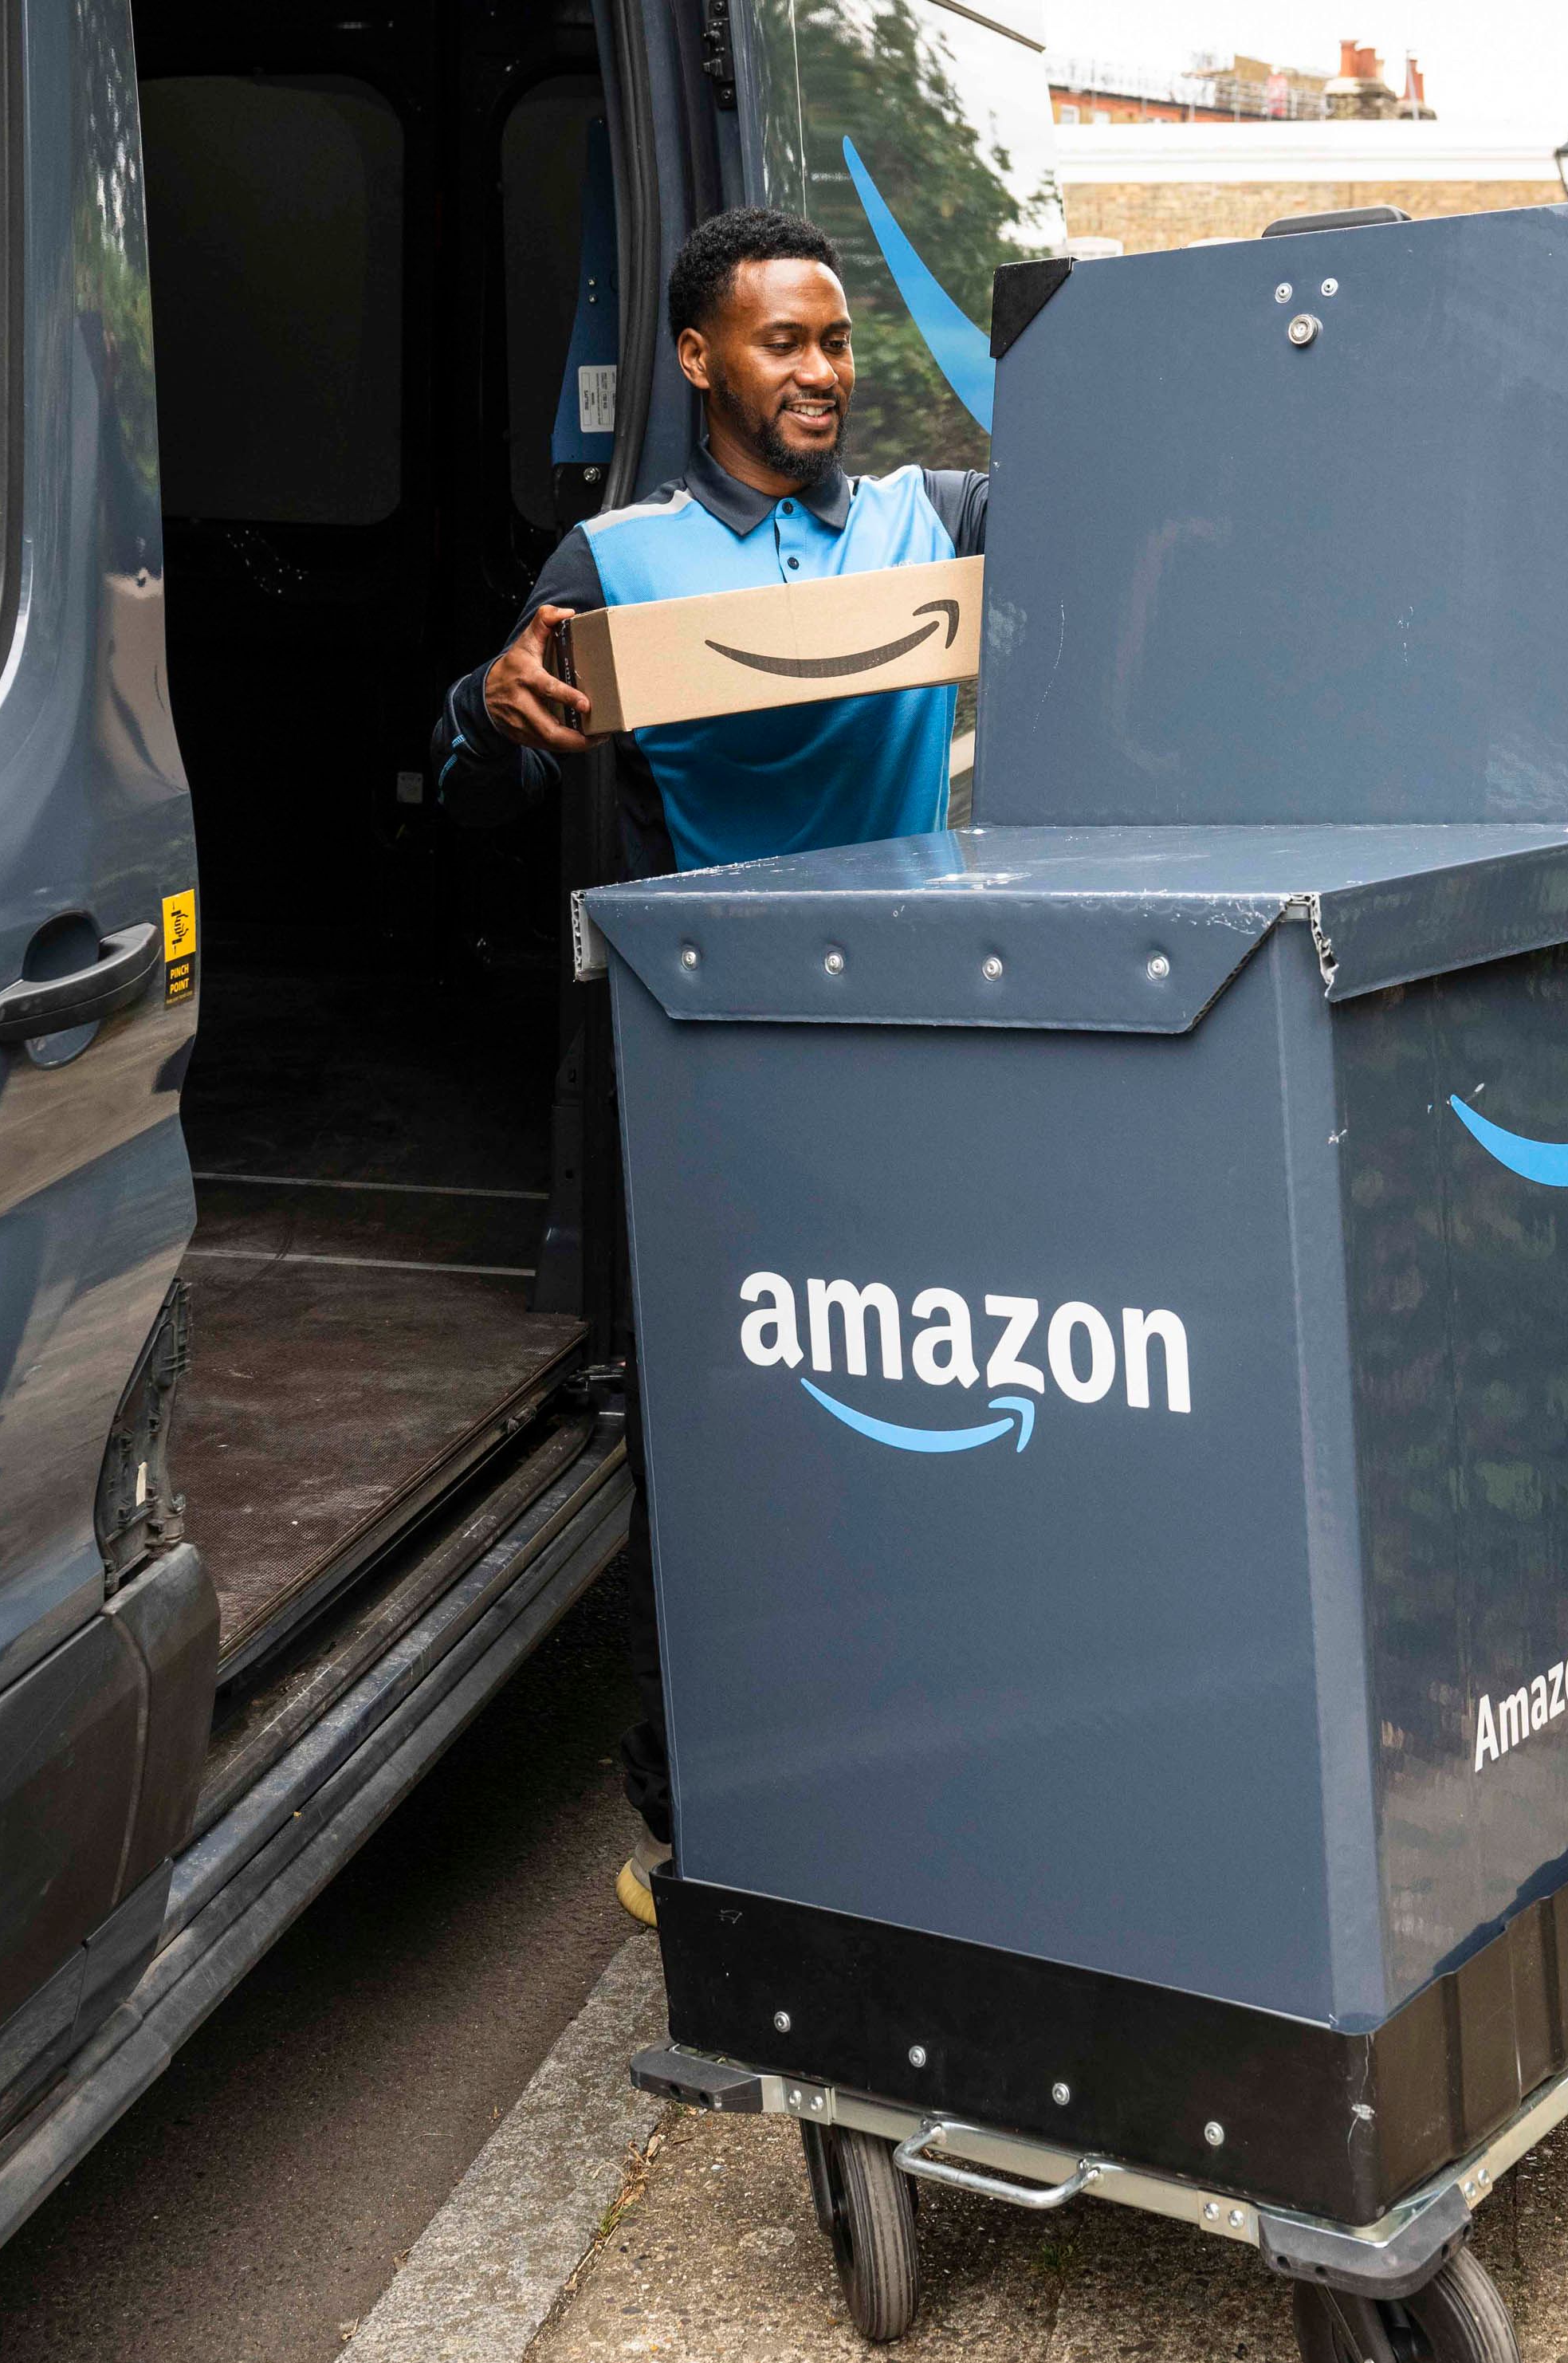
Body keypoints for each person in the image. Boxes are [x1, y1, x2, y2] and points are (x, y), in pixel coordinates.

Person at [431, 206, 988, 1924]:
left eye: (835, 341)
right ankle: (704, 1826)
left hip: (908, 1049)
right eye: (781, 343)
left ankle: (936, 1766)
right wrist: (481, 709)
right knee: (723, 1441)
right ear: (695, 361)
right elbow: (476, 793)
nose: (821, 371)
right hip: (708, 1066)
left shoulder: (936, 517)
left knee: (923, 1412)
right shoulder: (612, 563)